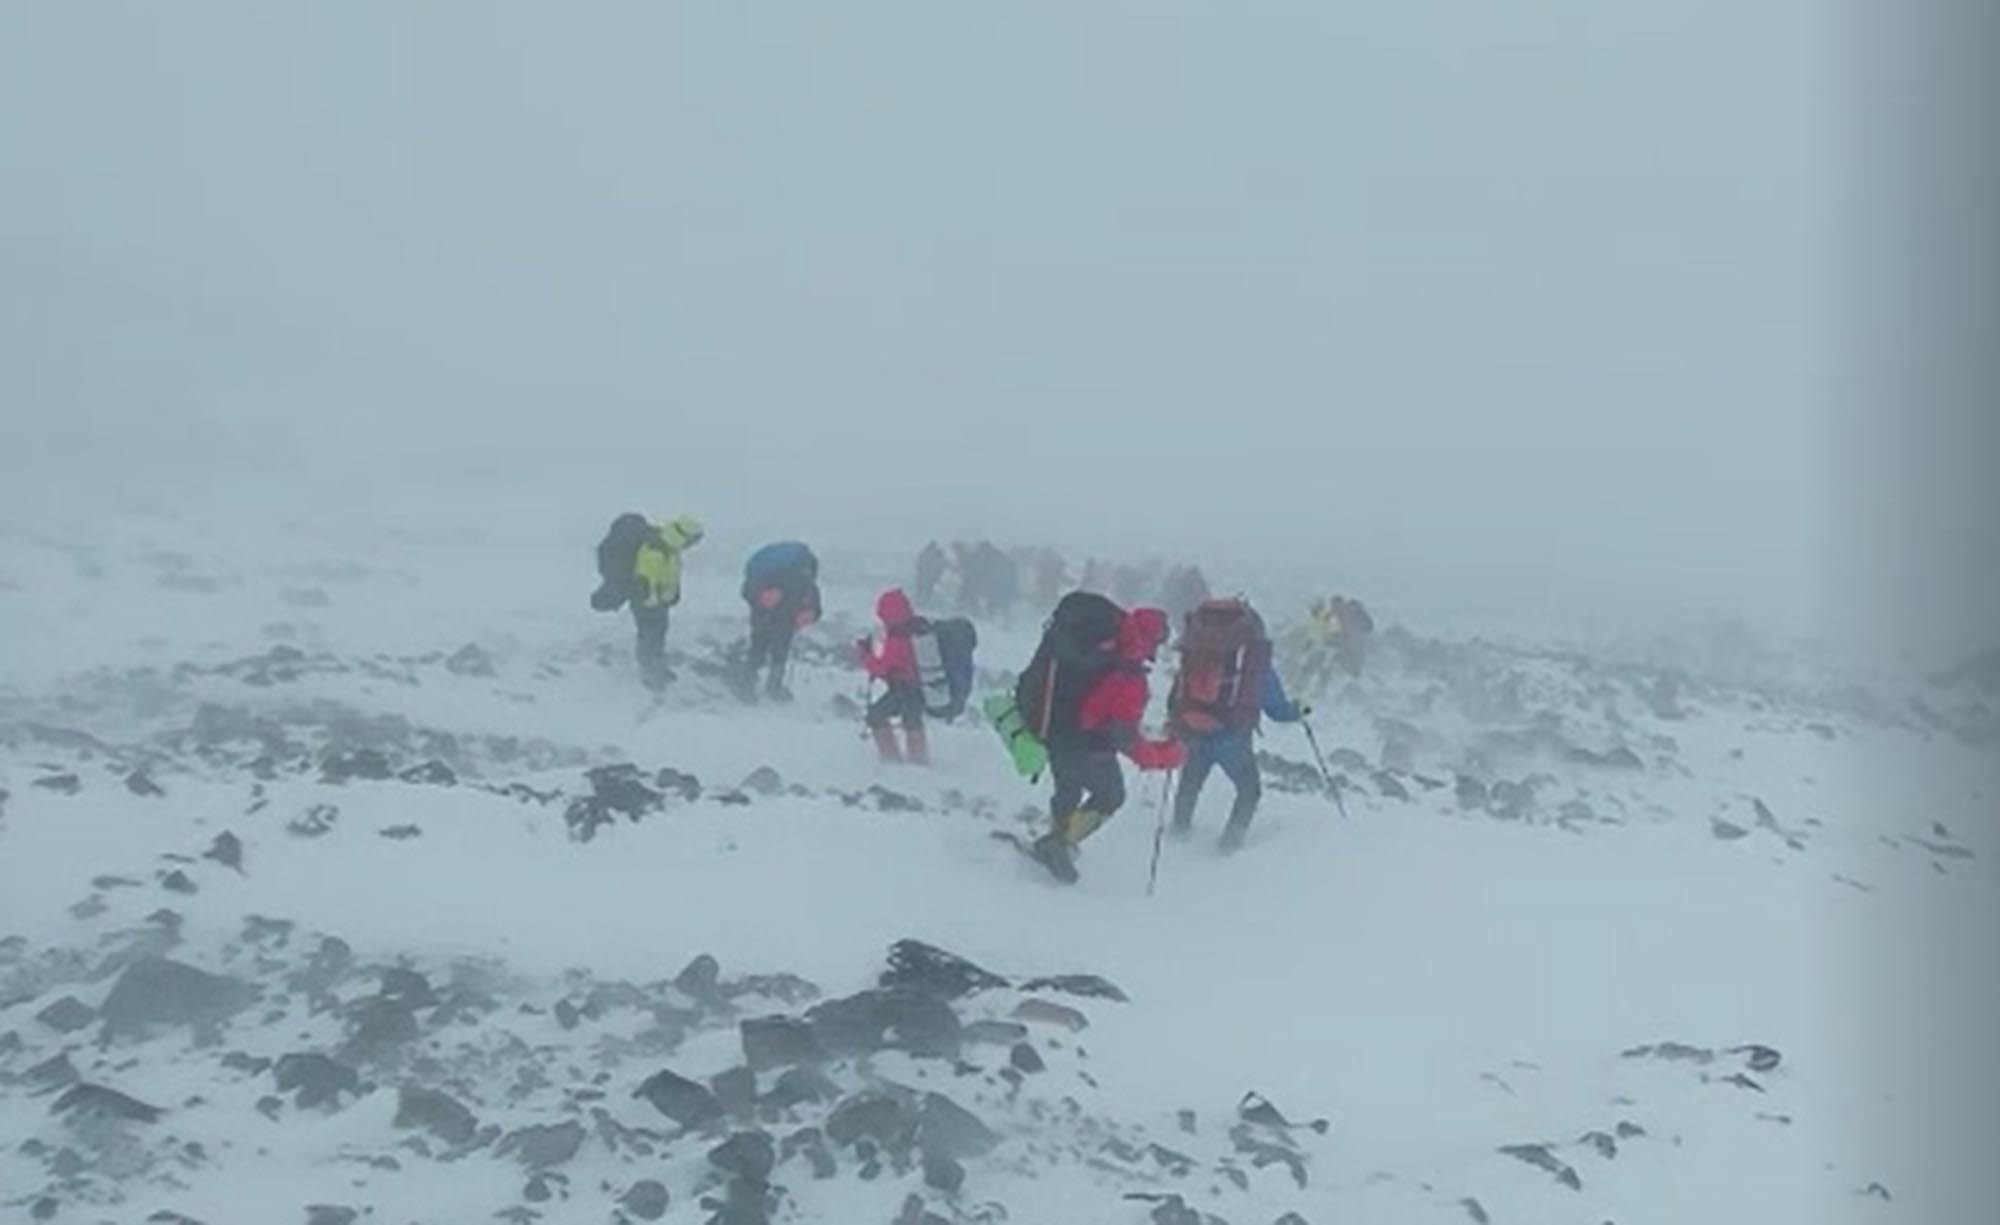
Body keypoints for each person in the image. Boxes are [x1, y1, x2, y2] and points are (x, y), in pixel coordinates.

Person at [1030, 606, 1184, 883]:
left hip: (1056, 731)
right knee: (1110, 795)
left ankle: (1053, 843)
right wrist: (1161, 757)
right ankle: (1060, 844)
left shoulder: (1099, 654)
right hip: (1092, 747)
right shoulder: (1128, 677)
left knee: (1067, 790)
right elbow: (1123, 736)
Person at [1166, 598, 1307, 851]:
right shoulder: (1252, 665)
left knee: (1190, 782)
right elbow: (1277, 710)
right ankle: (1229, 845)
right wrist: (1299, 711)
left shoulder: (1196, 651)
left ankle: (1179, 831)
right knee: (1248, 790)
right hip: (1231, 735)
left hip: (1193, 728)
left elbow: (1177, 691)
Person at [590, 512, 704, 691]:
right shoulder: (655, 549)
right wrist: (652, 601)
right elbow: (646, 578)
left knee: (657, 634)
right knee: (649, 636)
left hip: (658, 601)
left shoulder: (670, 548)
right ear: (682, 535)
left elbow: (670, 574)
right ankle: (650, 672)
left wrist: (672, 595)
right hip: (647, 602)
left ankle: (656, 666)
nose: (692, 545)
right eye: (692, 540)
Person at [738, 541, 822, 702]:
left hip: (765, 615)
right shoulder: (802, 572)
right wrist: (811, 613)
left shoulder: (767, 574)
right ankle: (772, 687)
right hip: (784, 618)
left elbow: (747, 591)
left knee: (758, 648)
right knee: (777, 652)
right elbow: (812, 598)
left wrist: (759, 599)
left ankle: (747, 686)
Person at [856, 588, 930, 765]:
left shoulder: (898, 637)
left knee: (875, 715)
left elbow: (882, 668)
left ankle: (891, 760)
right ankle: (920, 762)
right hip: (921, 687)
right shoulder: (918, 630)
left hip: (904, 688)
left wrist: (865, 655)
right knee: (912, 721)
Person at [914, 541, 949, 605]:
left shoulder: (924, 554)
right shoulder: (929, 555)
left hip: (926, 577)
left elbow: (919, 565)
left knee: (922, 591)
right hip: (927, 577)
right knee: (924, 591)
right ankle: (920, 603)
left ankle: (919, 603)